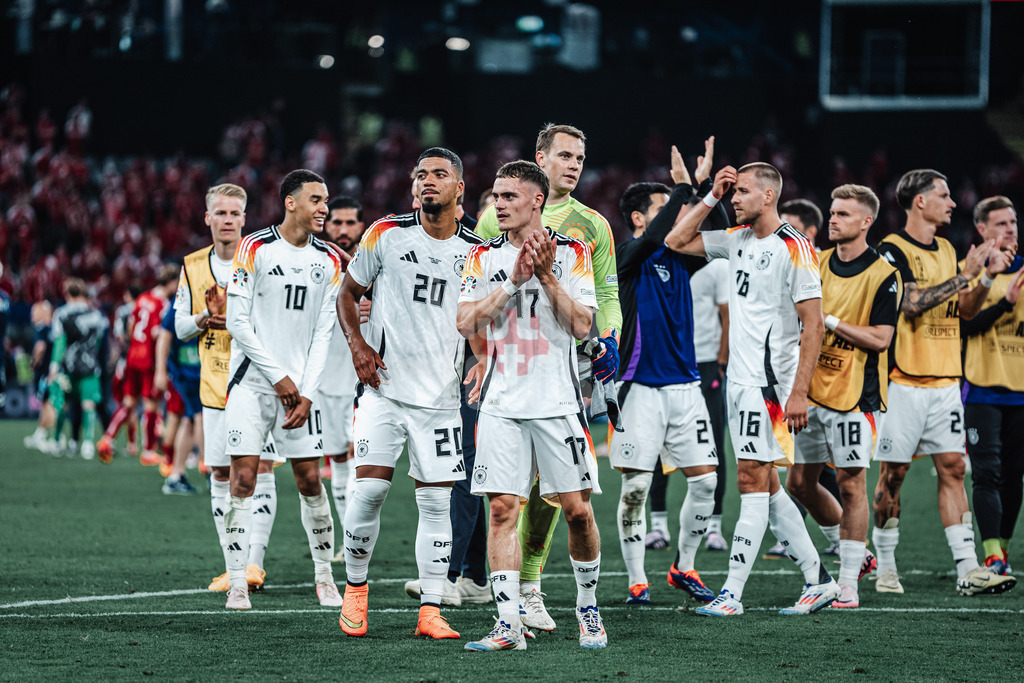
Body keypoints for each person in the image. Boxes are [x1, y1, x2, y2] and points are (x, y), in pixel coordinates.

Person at [664, 160, 841, 616]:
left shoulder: (795, 247)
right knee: (765, 482)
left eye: (741, 191)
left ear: (768, 195)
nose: (734, 198)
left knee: (750, 482)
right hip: (741, 382)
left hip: (770, 385)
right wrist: (710, 195)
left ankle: (733, 594)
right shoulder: (737, 240)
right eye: (733, 191)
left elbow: (814, 325)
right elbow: (674, 240)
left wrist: (798, 393)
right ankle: (818, 579)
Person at [475, 123, 621, 631]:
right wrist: (477, 354)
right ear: (542, 159)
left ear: (532, 199)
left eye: (581, 156)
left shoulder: (587, 231)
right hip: (501, 393)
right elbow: (468, 314)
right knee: (502, 507)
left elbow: (600, 304)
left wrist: (609, 339)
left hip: (561, 386)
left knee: (574, 507)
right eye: (566, 155)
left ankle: (585, 604)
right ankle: (513, 610)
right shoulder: (486, 238)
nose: (576, 164)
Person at [337, 148, 481, 640]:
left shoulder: (476, 250)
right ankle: (355, 592)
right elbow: (347, 293)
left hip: (441, 399)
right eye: (421, 174)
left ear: (459, 188)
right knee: (370, 490)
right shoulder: (386, 233)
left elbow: (478, 319)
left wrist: (480, 360)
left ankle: (431, 611)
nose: (427, 182)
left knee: (437, 505)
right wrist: (358, 344)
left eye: (440, 175)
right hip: (384, 390)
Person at [873, 169, 1016, 596]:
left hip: (945, 384)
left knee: (954, 469)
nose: (952, 203)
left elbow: (965, 311)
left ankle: (968, 567)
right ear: (919, 201)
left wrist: (985, 277)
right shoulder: (890, 250)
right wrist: (965, 274)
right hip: (903, 382)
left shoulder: (948, 248)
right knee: (894, 474)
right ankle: (885, 566)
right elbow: (912, 303)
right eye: (944, 195)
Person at [221, 170, 343, 611]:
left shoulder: (329, 260)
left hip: (299, 394)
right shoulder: (254, 247)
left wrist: (306, 392)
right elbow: (238, 323)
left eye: (325, 200)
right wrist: (279, 377)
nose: (323, 208)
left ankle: (325, 578)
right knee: (244, 479)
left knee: (310, 480)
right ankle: (238, 582)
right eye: (315, 199)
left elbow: (324, 335)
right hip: (251, 386)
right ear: (290, 202)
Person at [610, 140, 722, 606]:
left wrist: (704, 192)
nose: (675, 212)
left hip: (686, 385)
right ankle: (637, 578)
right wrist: (681, 188)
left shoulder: (683, 256)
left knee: (706, 481)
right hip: (638, 387)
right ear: (640, 217)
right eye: (663, 207)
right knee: (635, 486)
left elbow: (700, 230)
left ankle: (684, 565)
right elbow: (656, 236)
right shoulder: (628, 256)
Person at [785, 184, 899, 609]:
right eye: (832, 213)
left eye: (844, 215)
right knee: (799, 483)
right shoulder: (816, 263)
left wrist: (827, 320)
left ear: (866, 222)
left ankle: (848, 582)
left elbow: (881, 339)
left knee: (852, 486)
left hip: (857, 397)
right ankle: (858, 553)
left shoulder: (884, 275)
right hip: (811, 393)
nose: (833, 220)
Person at [174, 183, 281, 594]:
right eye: (221, 213)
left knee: (261, 470)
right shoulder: (193, 265)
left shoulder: (259, 258)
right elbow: (181, 327)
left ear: (244, 218)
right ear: (208, 218)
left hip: (256, 382)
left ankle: (255, 563)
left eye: (235, 214)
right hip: (214, 383)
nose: (228, 220)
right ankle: (231, 564)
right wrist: (205, 317)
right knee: (220, 472)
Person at [766, 198, 844, 559]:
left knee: (834, 474)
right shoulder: (782, 260)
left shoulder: (818, 264)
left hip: (831, 385)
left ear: (808, 233)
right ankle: (839, 543)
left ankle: (850, 547)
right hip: (792, 380)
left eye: (790, 226)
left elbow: (818, 324)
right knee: (800, 476)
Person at [960, 196, 1023, 575]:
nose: (1011, 229)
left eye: (1013, 222)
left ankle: (1004, 545)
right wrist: (1003, 303)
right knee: (986, 474)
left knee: (1014, 477)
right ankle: (992, 553)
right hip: (982, 389)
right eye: (1001, 224)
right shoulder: (970, 273)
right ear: (982, 230)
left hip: (1020, 392)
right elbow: (964, 325)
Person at [318, 196, 366, 555]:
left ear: (361, 226)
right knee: (337, 458)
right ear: (326, 223)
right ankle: (348, 540)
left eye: (351, 223)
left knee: (356, 459)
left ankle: (353, 542)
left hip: (362, 380)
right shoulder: (314, 261)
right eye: (338, 222)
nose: (344, 230)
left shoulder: (374, 262)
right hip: (324, 380)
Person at [98, 266, 179, 465]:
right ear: (171, 282)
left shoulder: (142, 298)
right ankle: (149, 451)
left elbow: (131, 326)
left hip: (133, 355)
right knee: (151, 405)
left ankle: (107, 439)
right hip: (149, 359)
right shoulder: (163, 303)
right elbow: (155, 333)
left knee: (129, 402)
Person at [48, 278, 108, 461]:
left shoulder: (61, 313)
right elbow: (99, 341)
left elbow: (60, 342)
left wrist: (54, 366)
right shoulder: (97, 315)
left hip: (68, 366)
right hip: (90, 366)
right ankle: (88, 443)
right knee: (88, 405)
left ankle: (57, 440)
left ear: (67, 293)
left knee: (62, 405)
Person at [155, 301, 201, 494]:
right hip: (189, 371)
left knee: (189, 419)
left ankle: (176, 474)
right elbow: (165, 334)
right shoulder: (185, 295)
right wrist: (160, 369)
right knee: (200, 417)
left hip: (197, 369)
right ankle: (213, 472)